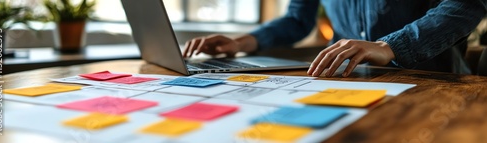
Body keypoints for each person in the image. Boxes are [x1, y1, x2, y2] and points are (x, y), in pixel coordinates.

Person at [183, 0, 487, 77]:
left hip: (430, 77)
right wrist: (240, 43)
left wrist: (390, 45)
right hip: (342, 77)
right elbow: (297, 19)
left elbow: (467, 4)